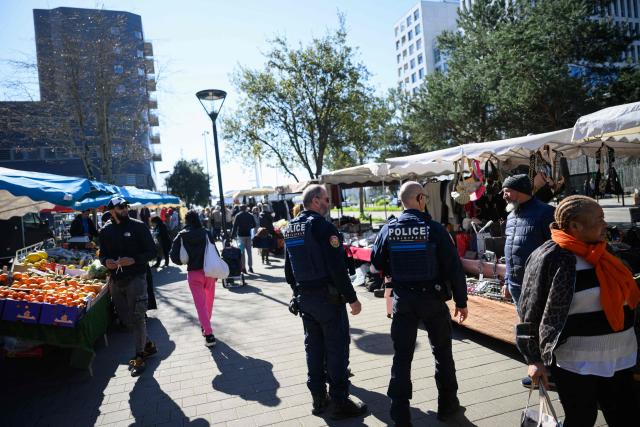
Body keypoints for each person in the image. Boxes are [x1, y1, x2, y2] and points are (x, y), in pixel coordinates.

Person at [516, 195, 639, 427]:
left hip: (621, 357)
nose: (606, 224)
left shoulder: (606, 252)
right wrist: (534, 359)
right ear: (575, 226)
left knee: (626, 418)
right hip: (575, 363)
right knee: (581, 419)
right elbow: (530, 311)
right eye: (599, 219)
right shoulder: (550, 257)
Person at [371, 181, 468, 425]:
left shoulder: (388, 229)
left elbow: (376, 263)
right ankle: (448, 406)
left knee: (402, 357)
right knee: (442, 353)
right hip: (433, 300)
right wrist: (461, 300)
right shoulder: (434, 229)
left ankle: (400, 414)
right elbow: (454, 268)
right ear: (421, 199)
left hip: (403, 301)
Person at [284, 184, 367, 419]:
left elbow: (289, 269)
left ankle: (319, 399)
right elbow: (336, 267)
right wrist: (352, 299)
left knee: (314, 349)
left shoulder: (291, 228)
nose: (329, 204)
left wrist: (296, 293)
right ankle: (340, 402)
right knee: (337, 349)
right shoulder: (322, 226)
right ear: (316, 200)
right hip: (327, 299)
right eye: (327, 200)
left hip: (305, 298)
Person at [99, 197, 158, 377]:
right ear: (111, 210)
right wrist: (105, 262)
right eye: (121, 207)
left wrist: (134, 259)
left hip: (137, 278)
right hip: (116, 280)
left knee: (138, 316)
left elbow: (152, 251)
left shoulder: (138, 226)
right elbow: (102, 254)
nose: (125, 209)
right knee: (125, 319)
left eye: (126, 206)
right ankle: (147, 344)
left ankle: (139, 357)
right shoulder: (105, 231)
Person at [503, 174, 555, 306]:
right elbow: (510, 250)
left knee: (539, 325)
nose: (504, 196)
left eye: (507, 191)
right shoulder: (511, 216)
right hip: (515, 285)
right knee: (524, 323)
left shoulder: (546, 213)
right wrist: (507, 281)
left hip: (538, 285)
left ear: (520, 191)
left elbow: (556, 250)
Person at [170, 210, 218, 347]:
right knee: (208, 302)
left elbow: (173, 256)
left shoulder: (181, 235)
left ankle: (208, 333)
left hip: (193, 273)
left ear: (186, 221)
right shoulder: (206, 232)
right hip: (209, 271)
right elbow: (215, 252)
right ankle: (206, 326)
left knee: (200, 305)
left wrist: (182, 261)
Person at [231, 205, 256, 273]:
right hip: (248, 235)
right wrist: (248, 227)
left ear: (240, 208)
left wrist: (232, 236)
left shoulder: (238, 215)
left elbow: (235, 226)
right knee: (249, 252)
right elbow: (254, 225)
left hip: (241, 236)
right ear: (246, 209)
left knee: (242, 252)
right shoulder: (250, 215)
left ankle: (243, 268)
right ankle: (250, 267)